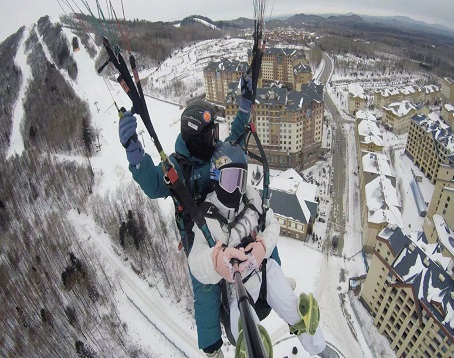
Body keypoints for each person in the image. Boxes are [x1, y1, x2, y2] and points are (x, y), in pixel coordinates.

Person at [118, 76, 281, 357]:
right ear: (195, 138)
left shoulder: (217, 151)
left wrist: (244, 105)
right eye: (210, 136)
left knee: (263, 240)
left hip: (225, 218)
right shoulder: (179, 167)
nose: (216, 140)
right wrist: (135, 156)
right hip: (200, 232)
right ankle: (212, 347)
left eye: (215, 134)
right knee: (205, 288)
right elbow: (155, 182)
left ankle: (277, 287)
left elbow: (237, 136)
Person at [188, 141, 326, 357]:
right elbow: (195, 260)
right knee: (244, 325)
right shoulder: (207, 219)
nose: (237, 189)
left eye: (241, 180)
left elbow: (273, 225)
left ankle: (315, 342)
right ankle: (253, 348)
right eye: (231, 180)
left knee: (291, 304)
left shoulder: (251, 198)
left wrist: (263, 245)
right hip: (235, 288)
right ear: (215, 178)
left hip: (262, 269)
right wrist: (216, 260)